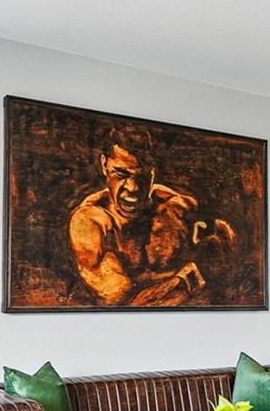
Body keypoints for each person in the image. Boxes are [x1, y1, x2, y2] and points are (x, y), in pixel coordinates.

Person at [67, 131, 236, 306]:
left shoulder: (176, 206)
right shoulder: (90, 224)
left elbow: (223, 240)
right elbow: (123, 304)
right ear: (104, 165)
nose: (133, 188)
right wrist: (186, 280)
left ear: (154, 172)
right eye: (120, 174)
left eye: (142, 177)